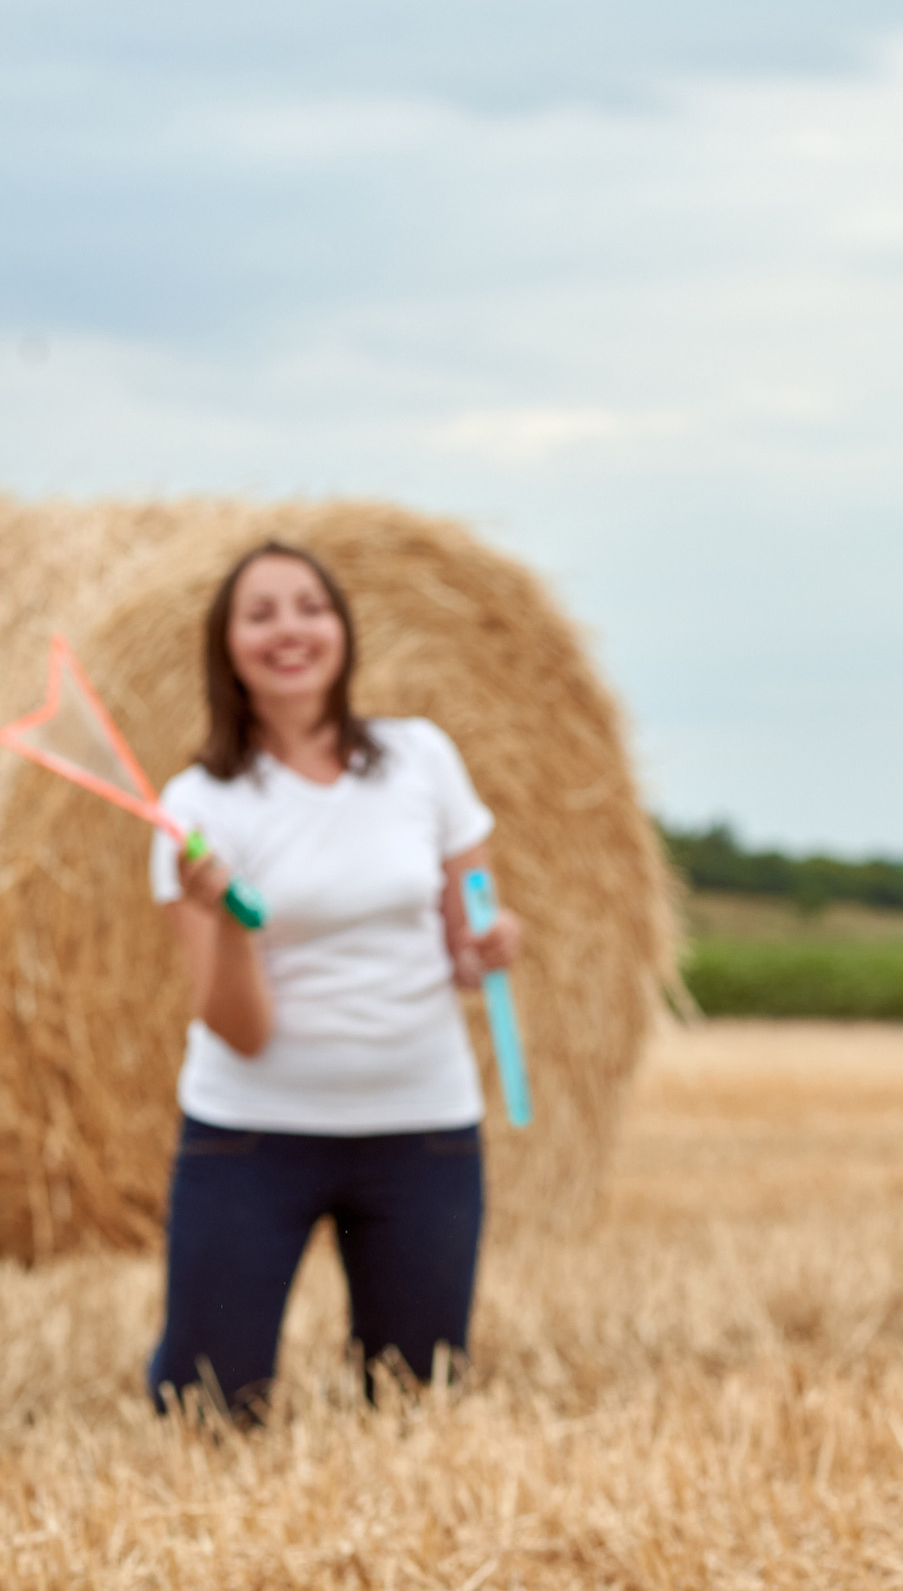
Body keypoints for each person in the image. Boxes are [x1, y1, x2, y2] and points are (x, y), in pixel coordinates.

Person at [146, 540, 522, 1419]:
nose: (291, 629)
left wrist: (494, 942)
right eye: (262, 612)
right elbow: (240, 1028)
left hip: (422, 1130)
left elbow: (469, 941)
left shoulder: (420, 758)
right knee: (208, 1410)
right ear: (226, 644)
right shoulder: (197, 807)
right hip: (250, 1136)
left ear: (343, 630)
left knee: (414, 1405)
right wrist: (236, 924)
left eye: (310, 606)